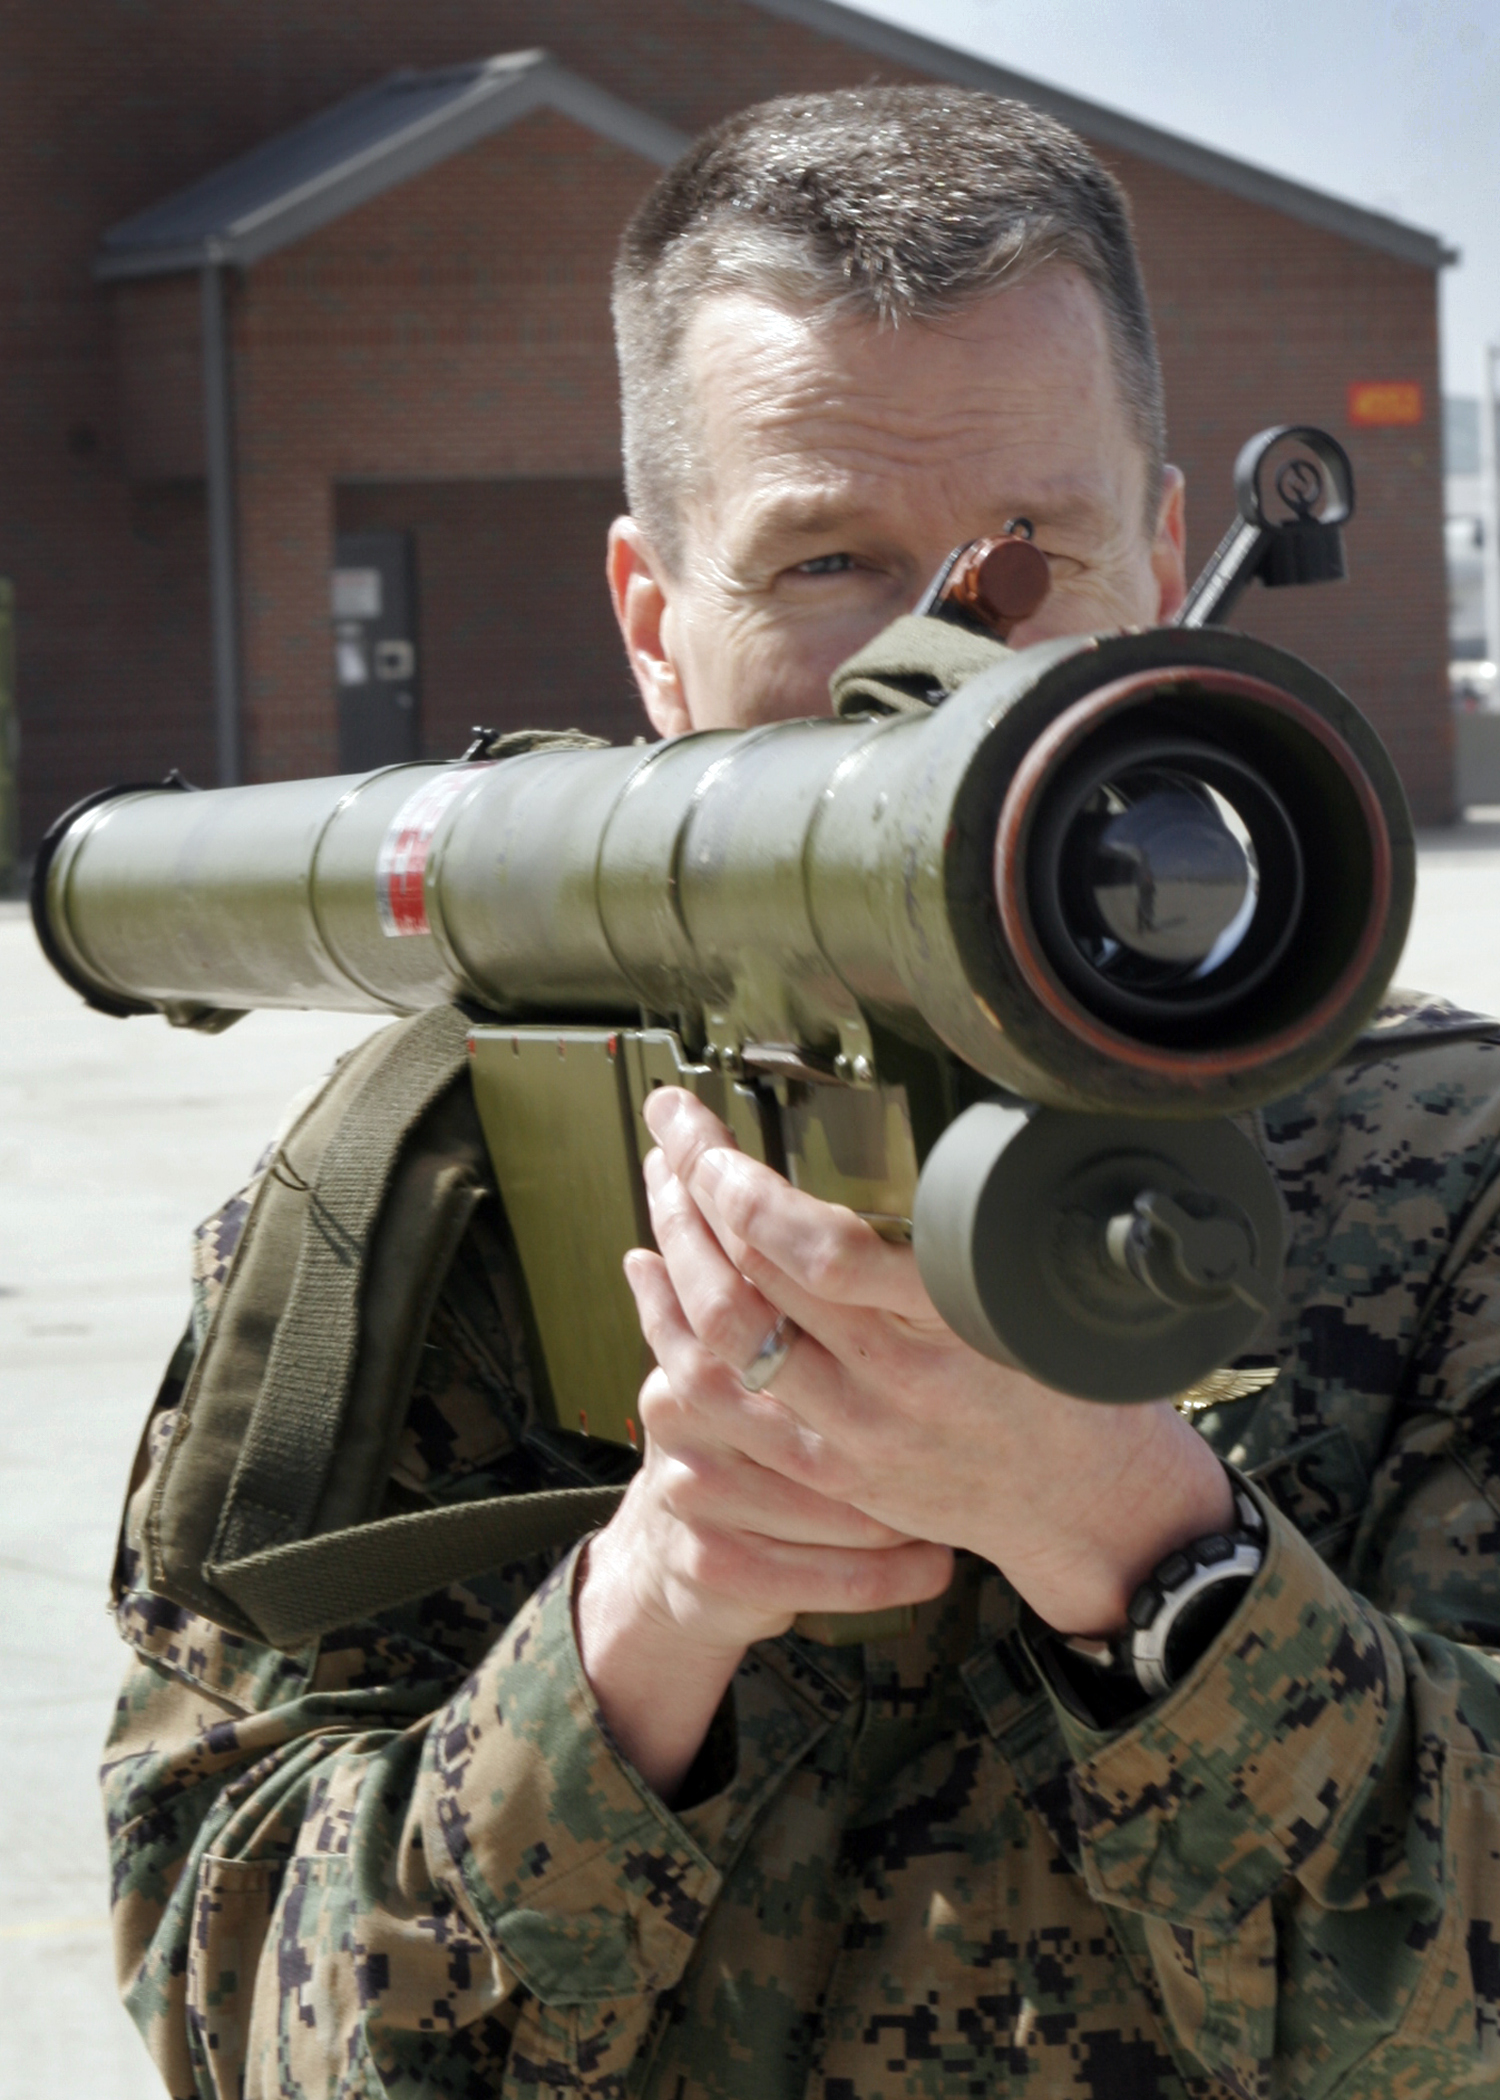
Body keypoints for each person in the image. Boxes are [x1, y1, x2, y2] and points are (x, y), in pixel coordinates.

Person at [102, 87, 1500, 2099]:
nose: (944, 662)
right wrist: (647, 1624)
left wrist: (1150, 1556)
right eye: (831, 563)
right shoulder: (425, 1204)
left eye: (1037, 557)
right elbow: (234, 2015)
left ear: (1173, 554)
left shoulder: (1447, 1184)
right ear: (655, 627)